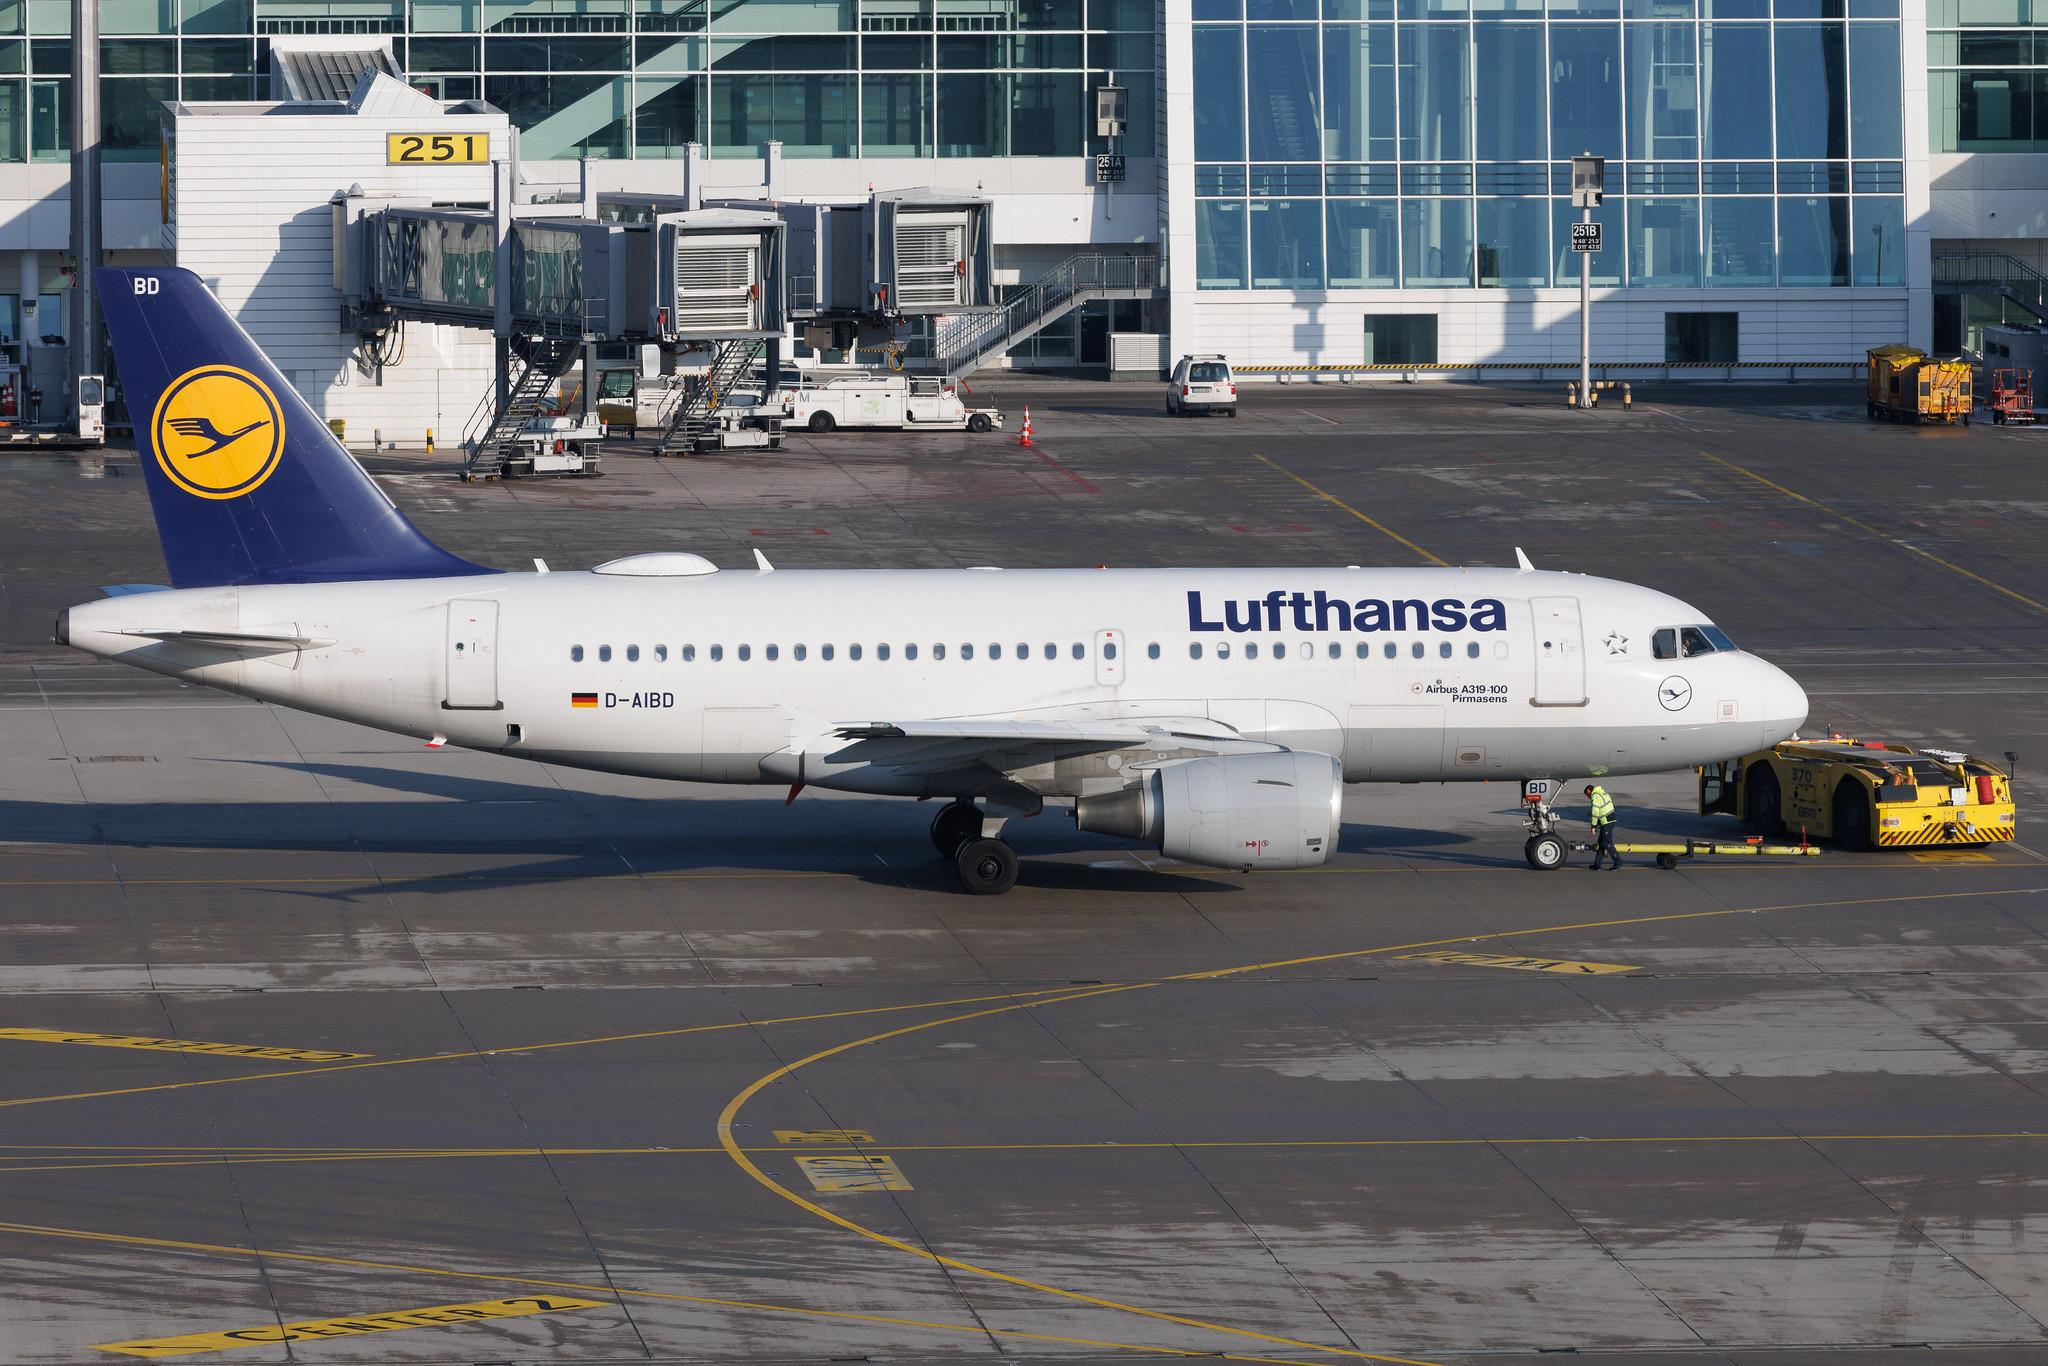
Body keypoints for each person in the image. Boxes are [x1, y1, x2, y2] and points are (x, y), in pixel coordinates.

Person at [1584, 783, 1620, 870]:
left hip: (1607, 821)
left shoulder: (1595, 796)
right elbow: (1603, 809)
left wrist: (1593, 826)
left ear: (1589, 792)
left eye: (1587, 795)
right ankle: (1597, 865)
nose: (1588, 797)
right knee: (1601, 844)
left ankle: (1618, 862)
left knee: (1607, 843)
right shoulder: (1602, 793)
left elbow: (1595, 812)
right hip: (1608, 820)